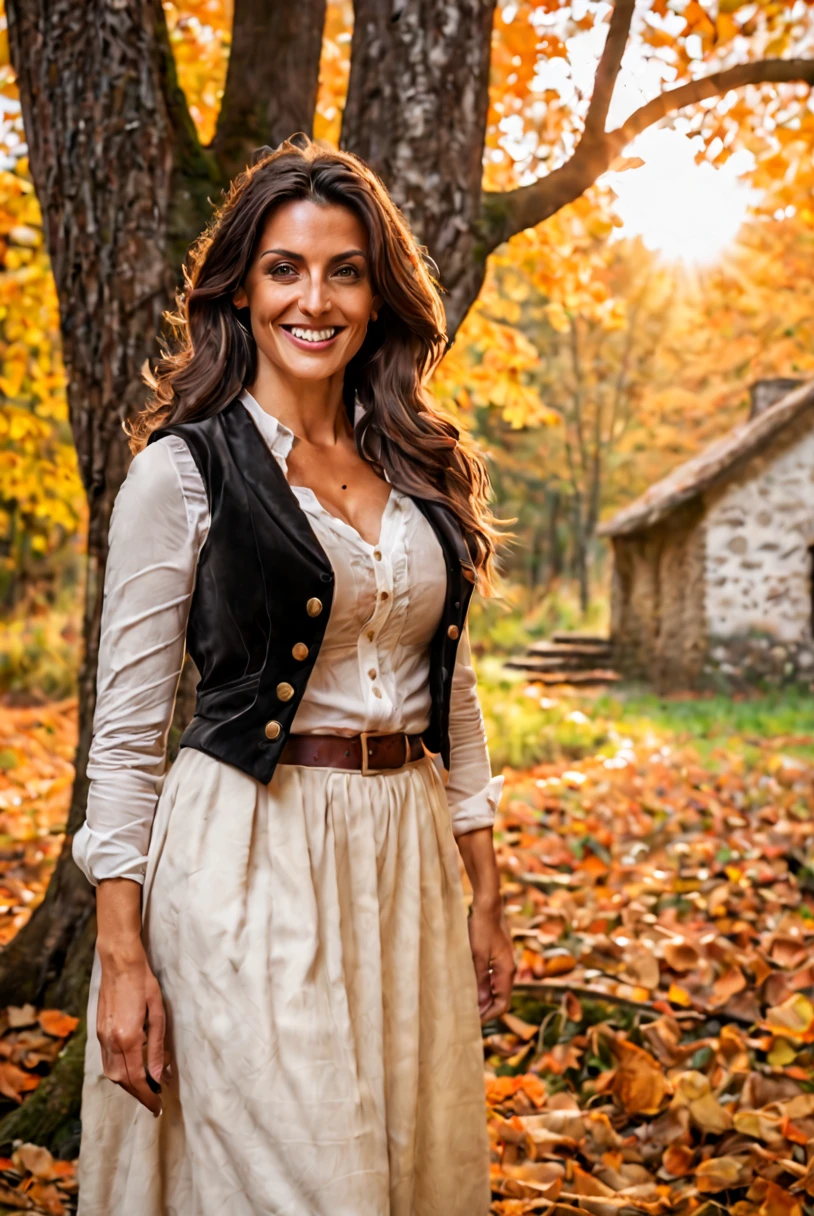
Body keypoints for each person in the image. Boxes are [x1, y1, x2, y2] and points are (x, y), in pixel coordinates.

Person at [71, 134, 515, 1216]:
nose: (312, 299)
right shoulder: (181, 474)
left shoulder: (418, 469)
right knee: (306, 1185)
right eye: (283, 268)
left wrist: (486, 882)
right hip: (246, 856)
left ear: (376, 294)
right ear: (240, 290)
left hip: (402, 857)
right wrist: (122, 955)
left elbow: (446, 691)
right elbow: (125, 737)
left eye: (343, 269)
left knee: (401, 1171)